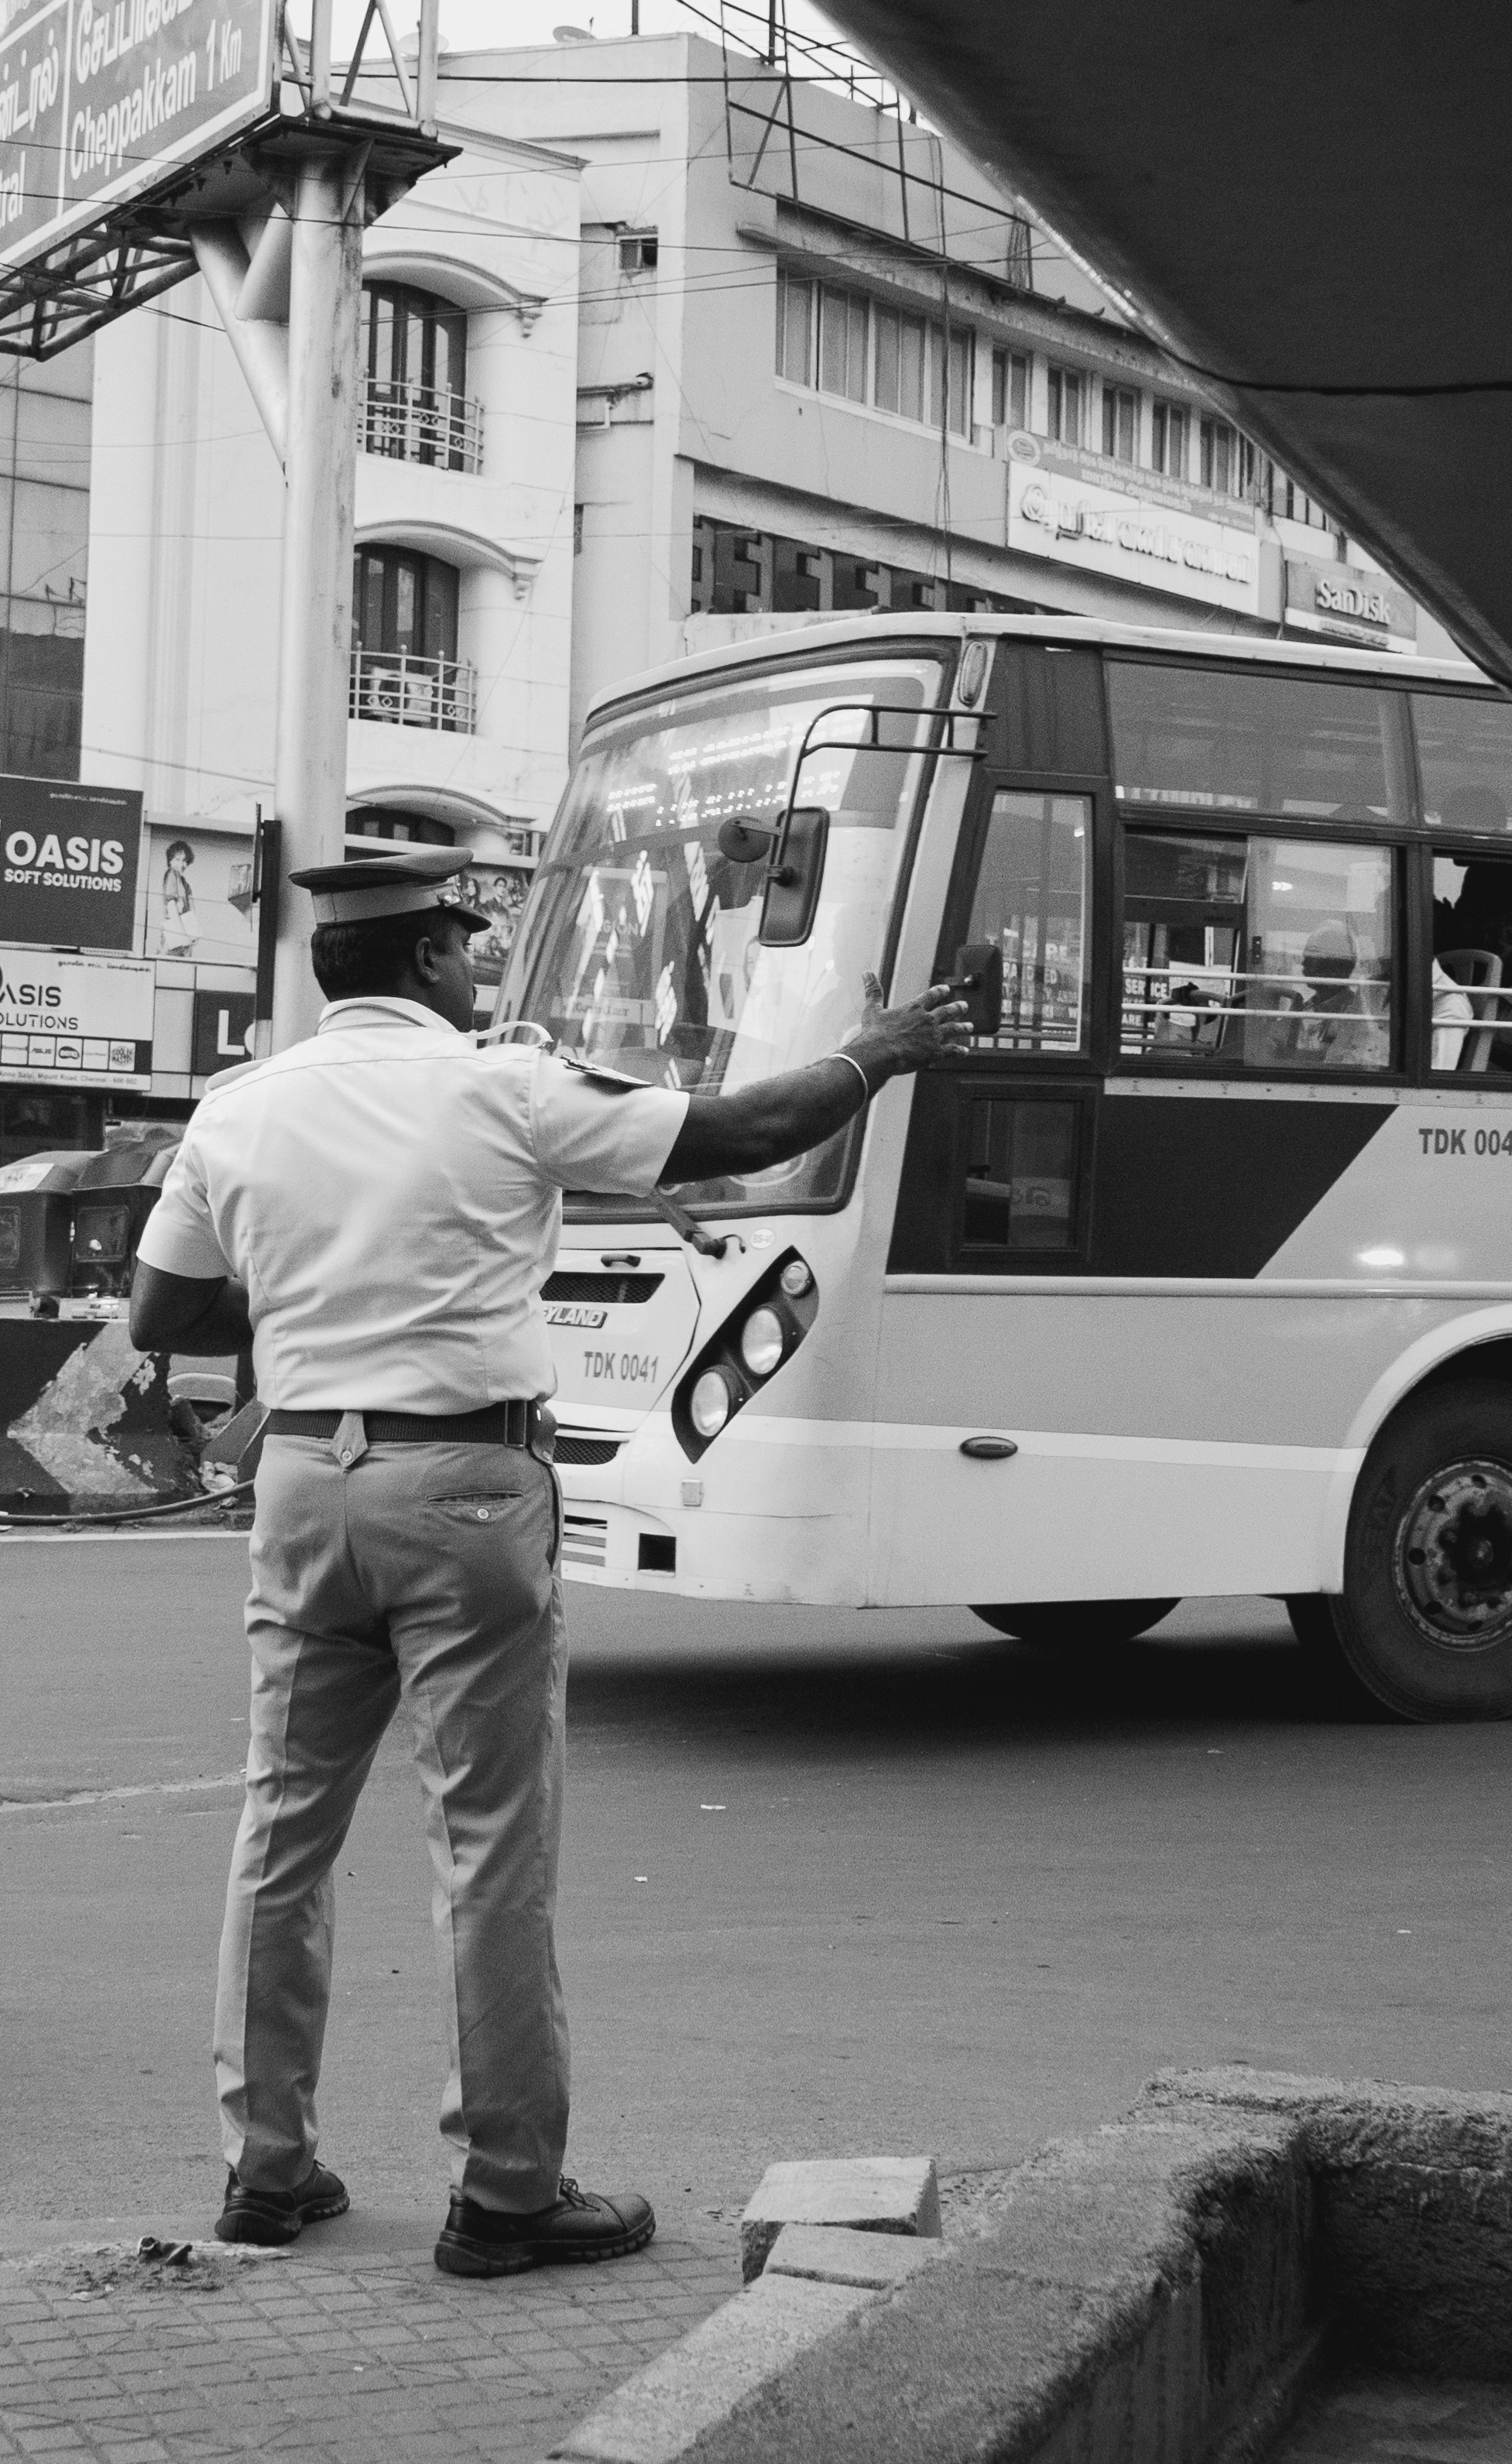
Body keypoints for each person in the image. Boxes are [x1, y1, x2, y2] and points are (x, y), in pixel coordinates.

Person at [127, 844, 972, 2278]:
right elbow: (737, 1126)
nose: (479, 963)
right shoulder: (498, 1086)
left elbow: (165, 1303)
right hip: (462, 1485)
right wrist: (868, 1056)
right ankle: (506, 2190)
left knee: (279, 1834)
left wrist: (311, 1278)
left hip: (299, 1487)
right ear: (424, 962)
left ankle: (265, 2173)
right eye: (465, 941)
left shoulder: (239, 1107)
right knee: (489, 1848)